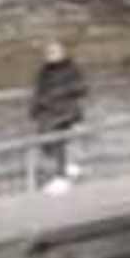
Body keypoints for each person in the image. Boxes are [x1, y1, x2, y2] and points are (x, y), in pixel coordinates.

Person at [31, 42, 87, 188]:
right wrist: (35, 108)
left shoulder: (70, 68)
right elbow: (39, 91)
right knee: (48, 144)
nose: (50, 55)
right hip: (49, 113)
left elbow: (81, 88)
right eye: (48, 53)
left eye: (54, 52)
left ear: (62, 53)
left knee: (63, 143)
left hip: (67, 113)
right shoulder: (44, 71)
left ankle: (63, 174)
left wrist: (60, 92)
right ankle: (58, 173)